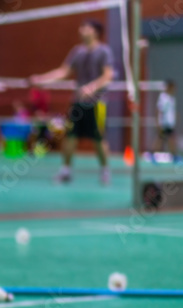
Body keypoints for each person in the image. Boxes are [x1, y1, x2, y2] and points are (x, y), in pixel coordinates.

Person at [30, 20, 115, 185]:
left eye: (86, 28)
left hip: (97, 103)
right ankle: (66, 171)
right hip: (78, 102)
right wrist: (42, 80)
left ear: (96, 32)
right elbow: (63, 72)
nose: (81, 30)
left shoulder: (104, 51)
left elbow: (108, 75)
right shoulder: (77, 51)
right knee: (70, 137)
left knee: (98, 139)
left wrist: (92, 87)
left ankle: (105, 171)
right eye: (81, 27)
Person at [156, 80, 176, 155]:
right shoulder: (163, 97)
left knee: (170, 138)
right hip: (164, 123)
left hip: (170, 123)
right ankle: (154, 154)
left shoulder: (172, 98)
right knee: (160, 139)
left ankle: (173, 155)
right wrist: (159, 122)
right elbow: (159, 110)